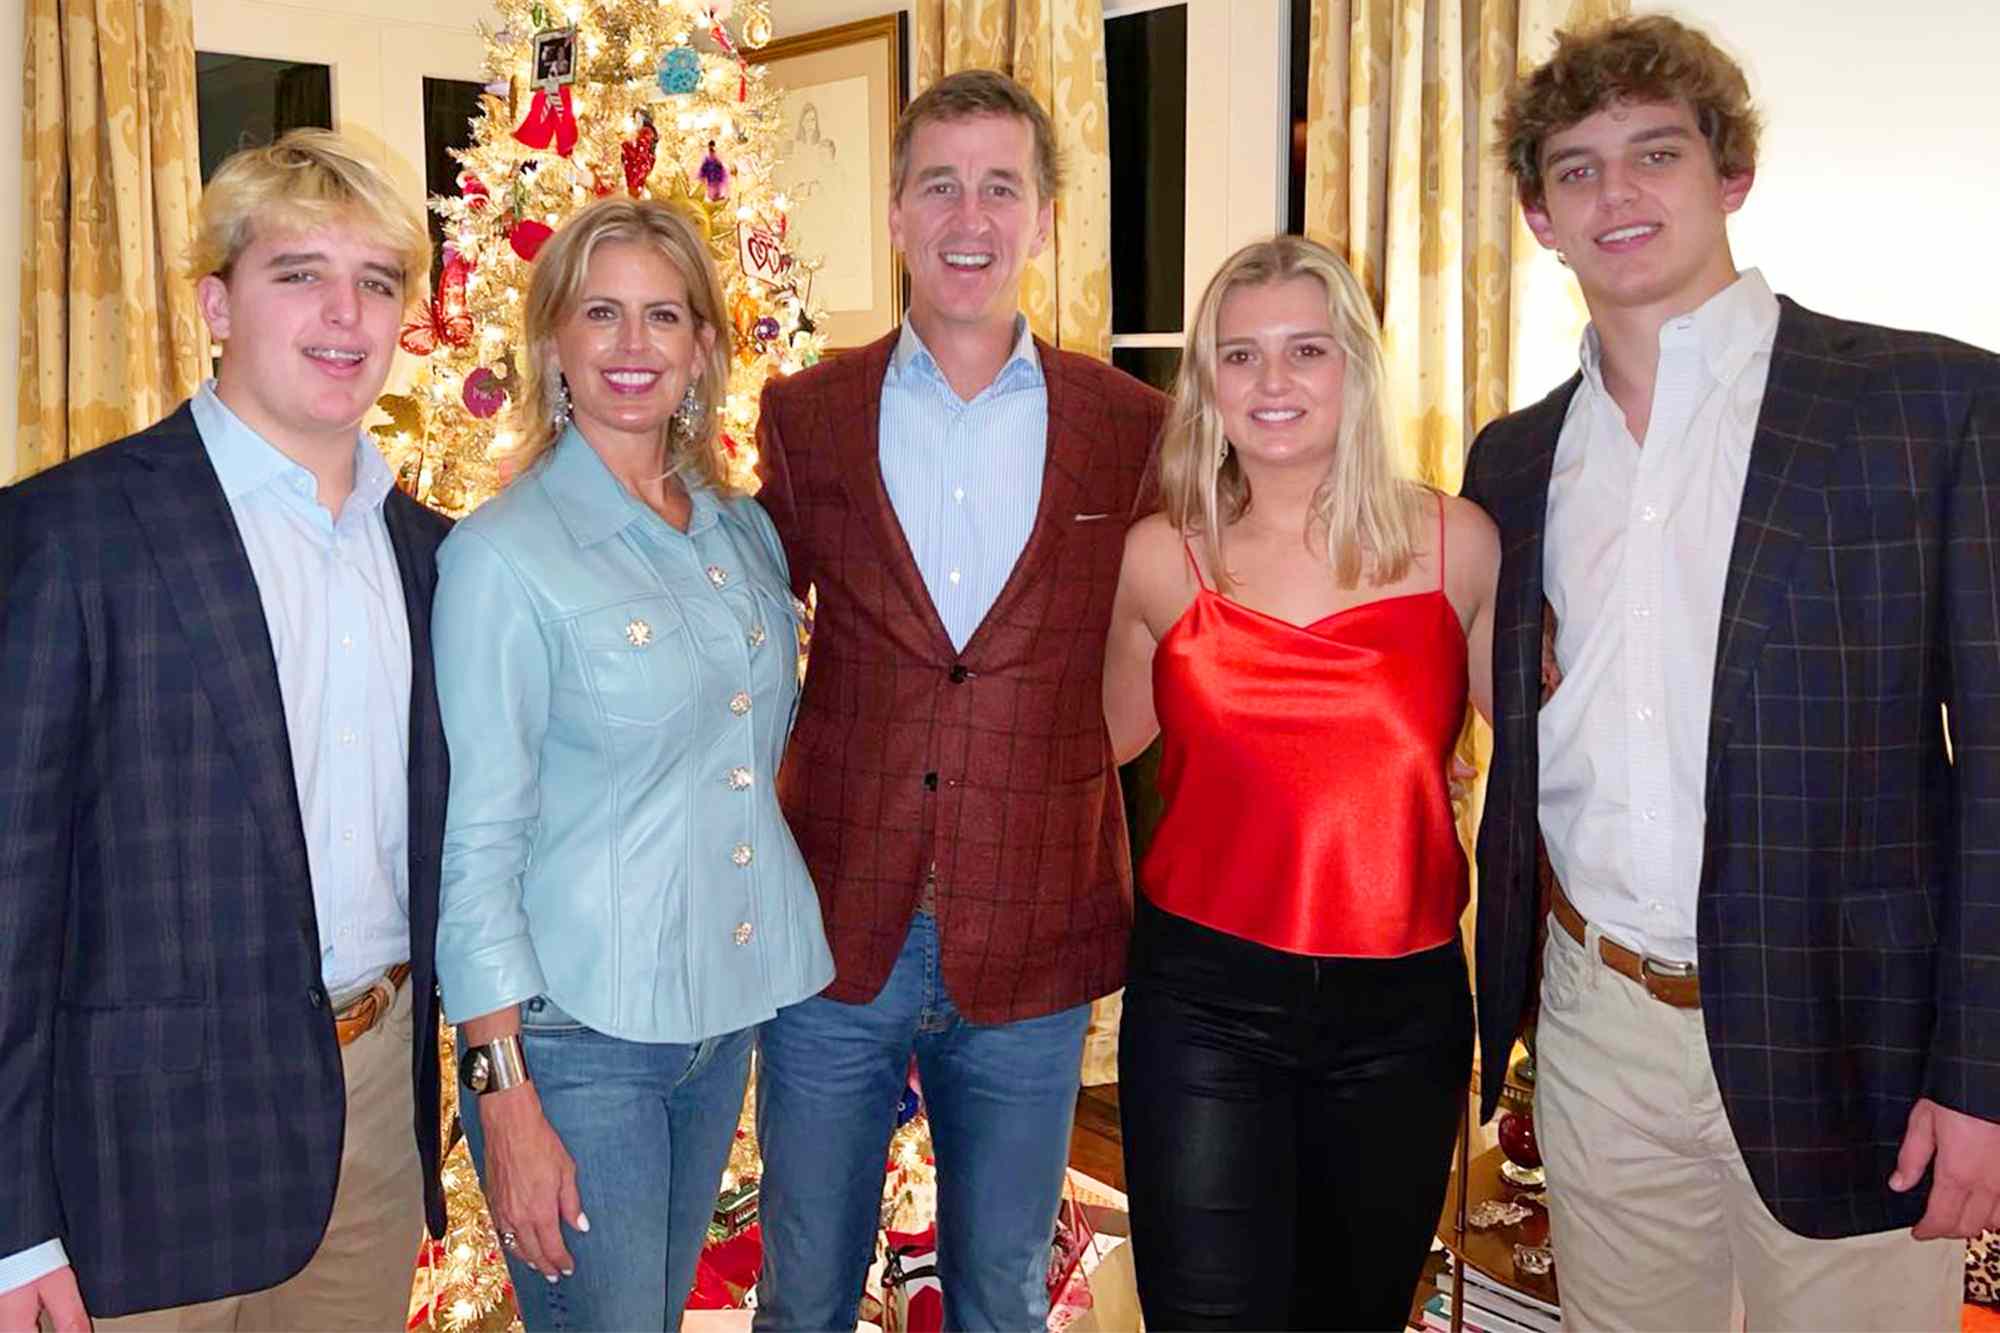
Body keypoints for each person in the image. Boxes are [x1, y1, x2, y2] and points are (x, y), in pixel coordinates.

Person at [1465, 15, 2000, 1330]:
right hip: (1596, 1031)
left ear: (1731, 175)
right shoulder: (1512, 462)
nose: (1617, 193)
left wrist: (1981, 1068)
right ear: (1539, 218)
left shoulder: (1926, 406)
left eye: (1656, 152)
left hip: (1851, 1033)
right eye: (1576, 168)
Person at [0, 129, 449, 1331]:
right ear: (215, 304)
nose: (345, 314)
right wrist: (11, 1222)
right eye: (300, 273)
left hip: (373, 1123)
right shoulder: (69, 534)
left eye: (377, 281)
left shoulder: (438, 558)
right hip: (136, 1158)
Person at [751, 69, 1169, 1331]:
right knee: (803, 1293)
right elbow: (747, 633)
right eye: (939, 185)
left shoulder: (1129, 426)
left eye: (999, 187)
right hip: (833, 928)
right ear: (895, 213)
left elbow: (1159, 650)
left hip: (1033, 933)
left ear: (1042, 217)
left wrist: (1048, 760)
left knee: (998, 1294)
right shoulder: (806, 413)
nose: (968, 217)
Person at [430, 196, 833, 1332]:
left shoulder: (739, 530)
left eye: (663, 315)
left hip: (717, 1020)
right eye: (600, 312)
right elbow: (476, 843)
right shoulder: (501, 556)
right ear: (553, 338)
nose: (631, 344)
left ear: (702, 346)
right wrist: (503, 1094)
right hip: (573, 1036)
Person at [1101, 234, 1498, 1330]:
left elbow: (1559, 760)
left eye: (1306, 350)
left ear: (1355, 367)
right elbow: (1081, 754)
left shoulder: (1458, 548)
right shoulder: (1157, 559)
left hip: (1401, 1015)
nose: (1271, 381)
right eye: (1239, 355)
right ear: (1206, 382)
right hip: (1204, 1008)